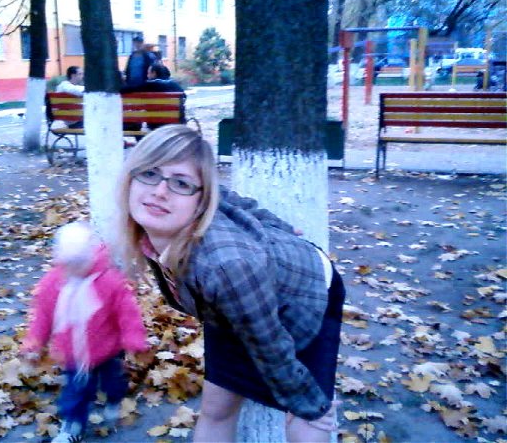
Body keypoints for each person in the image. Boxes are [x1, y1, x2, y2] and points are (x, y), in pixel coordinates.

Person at [117, 125, 346, 442]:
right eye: (149, 173)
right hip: (234, 302)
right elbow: (232, 199)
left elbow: (271, 348)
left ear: (201, 201)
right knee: (217, 407)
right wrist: (276, 225)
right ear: (131, 177)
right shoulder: (164, 224)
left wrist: (312, 403)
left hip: (302, 295)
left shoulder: (225, 267)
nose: (159, 191)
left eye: (180, 182)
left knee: (307, 417)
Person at [20, 222, 148, 443]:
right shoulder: (53, 285)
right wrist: (35, 342)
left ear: (91, 256)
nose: (75, 268)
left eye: (80, 262)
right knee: (76, 391)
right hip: (74, 355)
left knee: (113, 382)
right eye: (69, 263)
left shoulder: (108, 281)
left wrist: (133, 337)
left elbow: (127, 311)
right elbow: (43, 317)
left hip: (107, 350)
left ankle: (114, 400)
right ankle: (73, 426)